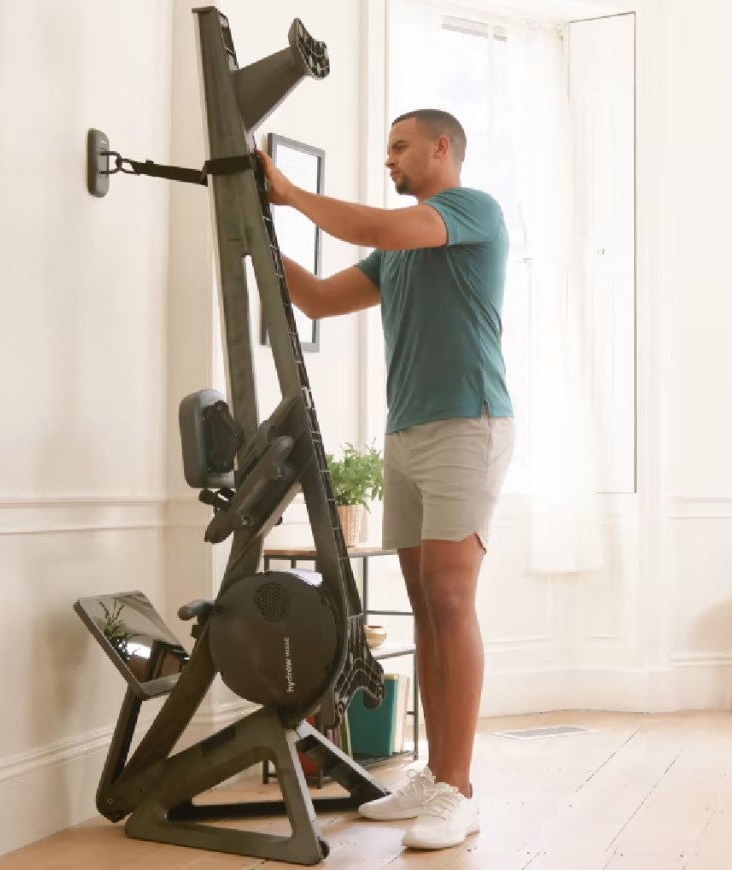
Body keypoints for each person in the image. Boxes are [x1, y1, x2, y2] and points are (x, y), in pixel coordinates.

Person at [257, 109, 514, 851]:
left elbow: (373, 227)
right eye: (387, 149)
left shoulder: (469, 211)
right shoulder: (397, 251)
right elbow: (315, 297)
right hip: (407, 431)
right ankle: (436, 775)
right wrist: (255, 224)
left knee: (449, 594)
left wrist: (291, 192)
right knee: (424, 605)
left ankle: (459, 791)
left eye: (399, 147)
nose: (389, 160)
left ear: (442, 148)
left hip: (470, 422)